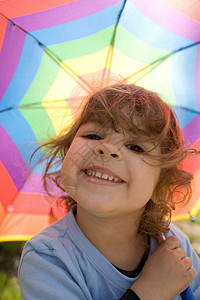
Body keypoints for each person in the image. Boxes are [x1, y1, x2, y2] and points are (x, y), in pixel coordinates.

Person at [18, 84, 200, 299]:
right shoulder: (48, 258)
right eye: (93, 135)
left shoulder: (174, 246)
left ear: (161, 187)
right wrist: (149, 292)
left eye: (135, 147)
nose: (107, 148)